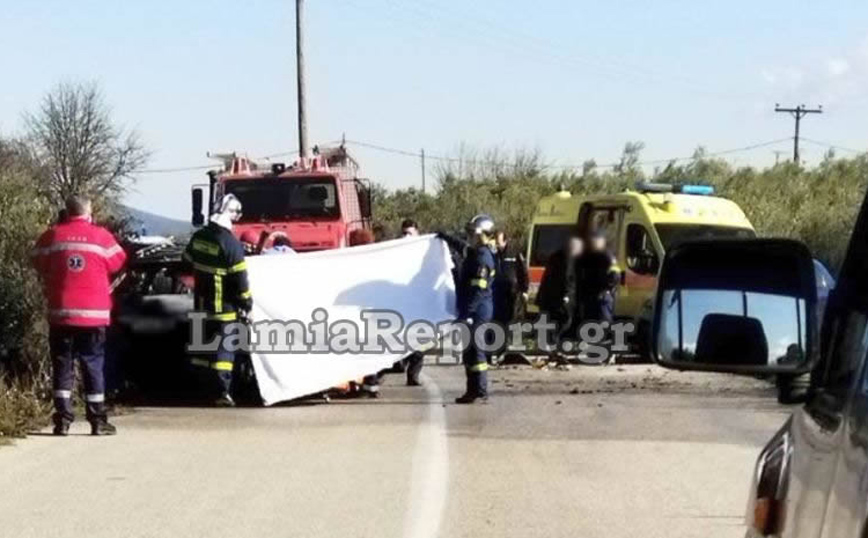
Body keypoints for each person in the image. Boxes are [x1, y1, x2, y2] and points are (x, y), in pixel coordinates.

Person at [32, 195, 127, 436]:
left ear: (66, 211)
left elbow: (37, 260)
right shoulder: (101, 236)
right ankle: (97, 420)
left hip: (61, 314)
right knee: (93, 364)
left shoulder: (52, 235)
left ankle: (62, 421)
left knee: (62, 364)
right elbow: (119, 261)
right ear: (89, 212)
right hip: (93, 316)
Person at [183, 194, 253, 407]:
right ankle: (223, 392)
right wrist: (247, 303)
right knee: (224, 351)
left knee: (202, 350)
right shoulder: (231, 244)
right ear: (231, 215)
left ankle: (202, 390)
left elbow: (186, 260)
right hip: (224, 307)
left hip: (201, 304)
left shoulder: (200, 237)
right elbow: (240, 280)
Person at [455, 214, 497, 404]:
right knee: (469, 352)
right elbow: (461, 246)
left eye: (474, 233)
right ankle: (472, 390)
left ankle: (480, 390)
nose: (470, 236)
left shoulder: (482, 257)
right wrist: (442, 236)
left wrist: (467, 314)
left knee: (476, 352)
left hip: (477, 311)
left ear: (483, 235)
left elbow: (478, 290)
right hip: (472, 310)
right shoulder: (476, 252)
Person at [536, 235, 583, 338]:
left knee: (550, 322)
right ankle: (552, 343)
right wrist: (567, 296)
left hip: (547, 297)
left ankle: (549, 344)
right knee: (564, 321)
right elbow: (567, 278)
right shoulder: (568, 259)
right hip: (558, 298)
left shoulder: (556, 256)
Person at [578, 231, 620, 326]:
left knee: (602, 318)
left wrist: (606, 288)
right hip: (593, 294)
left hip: (601, 294)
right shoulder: (591, 256)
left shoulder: (606, 256)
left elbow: (614, 275)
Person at [493, 231, 529, 327]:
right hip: (498, 292)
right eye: (495, 241)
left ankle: (514, 339)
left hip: (512, 292)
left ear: (504, 241)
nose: (496, 244)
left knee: (513, 318)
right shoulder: (494, 255)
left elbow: (523, 271)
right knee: (499, 319)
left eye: (498, 242)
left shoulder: (514, 254)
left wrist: (524, 290)